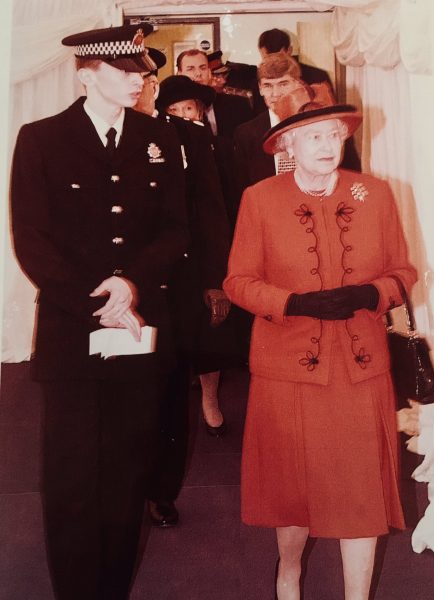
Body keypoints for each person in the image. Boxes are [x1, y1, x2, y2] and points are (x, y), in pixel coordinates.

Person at [10, 24, 187, 600]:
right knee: (71, 478)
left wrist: (130, 284)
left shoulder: (159, 139)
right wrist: (99, 295)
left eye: (142, 71)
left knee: (125, 475)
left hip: (138, 327)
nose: (138, 80)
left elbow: (174, 230)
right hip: (72, 331)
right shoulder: (40, 138)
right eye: (124, 71)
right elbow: (32, 239)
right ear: (87, 74)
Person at [223, 82, 417, 600]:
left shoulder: (373, 194)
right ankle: (289, 570)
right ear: (286, 147)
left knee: (361, 495)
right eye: (313, 136)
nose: (328, 144)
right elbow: (237, 282)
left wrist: (371, 291)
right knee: (294, 496)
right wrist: (294, 303)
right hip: (289, 369)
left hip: (360, 367)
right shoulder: (259, 200)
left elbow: (404, 272)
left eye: (334, 134)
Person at [135, 68, 233, 526]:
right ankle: (122, 482)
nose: (140, 87)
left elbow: (211, 211)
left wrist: (215, 278)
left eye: (147, 80)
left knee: (170, 388)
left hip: (177, 283)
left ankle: (160, 489)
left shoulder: (188, 138)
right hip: (115, 288)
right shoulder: (91, 139)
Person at [234, 52, 361, 196]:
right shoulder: (246, 134)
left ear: (298, 84)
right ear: (260, 88)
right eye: (268, 86)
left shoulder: (328, 123)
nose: (275, 94)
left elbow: (352, 174)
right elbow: (242, 191)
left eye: (283, 84)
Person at [176, 48, 253, 139]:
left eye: (202, 68)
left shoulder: (239, 105)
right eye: (190, 69)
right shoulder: (172, 110)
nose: (198, 73)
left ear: (209, 72)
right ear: (179, 74)